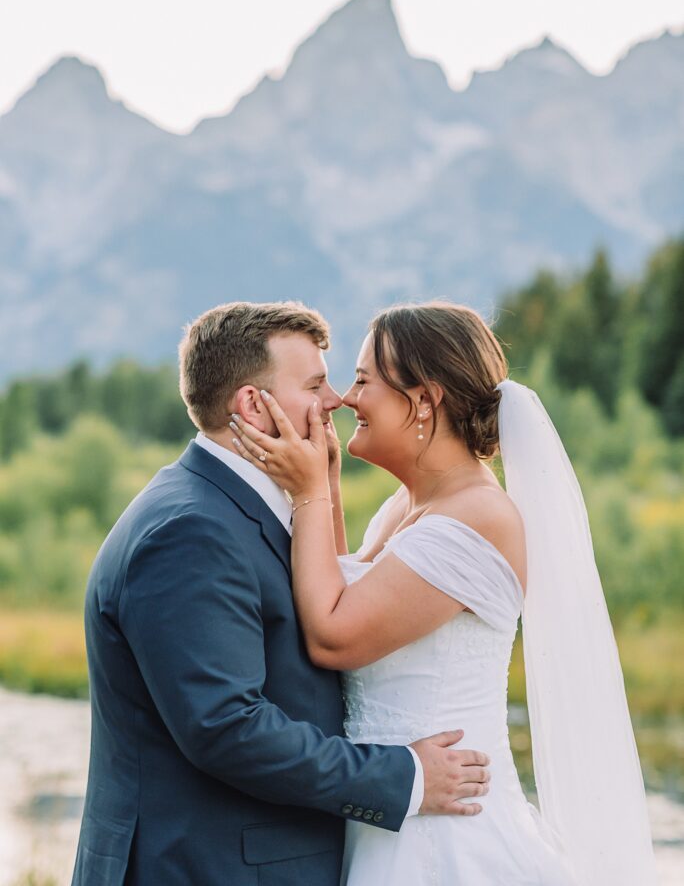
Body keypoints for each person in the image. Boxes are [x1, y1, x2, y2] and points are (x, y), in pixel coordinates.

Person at [231, 301, 658, 886]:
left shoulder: (477, 516)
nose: (347, 399)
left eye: (362, 380)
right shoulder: (405, 506)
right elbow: (336, 585)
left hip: (446, 835)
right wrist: (324, 483)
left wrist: (306, 493)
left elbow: (334, 637)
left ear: (424, 401)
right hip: (395, 814)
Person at [70, 301, 492, 886]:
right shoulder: (191, 531)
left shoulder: (232, 507)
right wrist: (406, 777)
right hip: (207, 869)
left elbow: (336, 597)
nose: (334, 401)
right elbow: (228, 728)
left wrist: (321, 488)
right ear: (251, 405)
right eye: (316, 384)